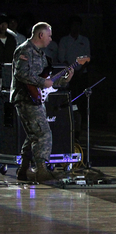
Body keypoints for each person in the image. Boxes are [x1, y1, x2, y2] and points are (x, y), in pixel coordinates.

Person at [10, 22, 74, 182]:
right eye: (49, 35)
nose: (51, 39)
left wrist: (64, 80)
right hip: (25, 98)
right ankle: (41, 170)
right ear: (41, 35)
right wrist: (41, 82)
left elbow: (47, 80)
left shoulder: (40, 54)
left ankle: (24, 169)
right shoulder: (25, 50)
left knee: (34, 135)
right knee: (43, 134)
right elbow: (21, 74)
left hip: (34, 98)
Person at [58, 15, 90, 142]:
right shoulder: (64, 41)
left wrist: (80, 71)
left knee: (80, 103)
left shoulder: (85, 40)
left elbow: (87, 57)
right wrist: (71, 72)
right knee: (69, 101)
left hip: (82, 75)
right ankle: (68, 127)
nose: (76, 27)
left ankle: (78, 130)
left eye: (78, 25)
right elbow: (62, 58)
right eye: (73, 25)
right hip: (68, 76)